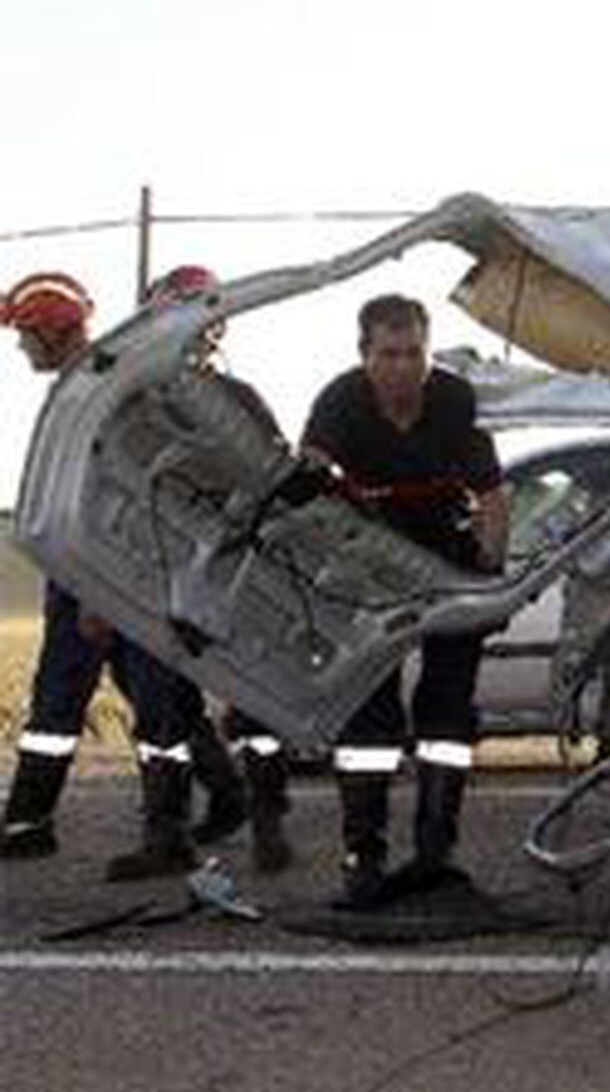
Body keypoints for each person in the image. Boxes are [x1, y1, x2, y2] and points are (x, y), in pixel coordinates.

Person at [0, 270, 238, 879]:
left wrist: (99, 590)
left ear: (53, 333)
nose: (20, 346)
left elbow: (121, 496)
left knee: (128, 700)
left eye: (26, 334)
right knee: (143, 696)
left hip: (109, 571)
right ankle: (221, 793)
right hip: (89, 568)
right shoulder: (93, 381)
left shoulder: (104, 388)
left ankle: (160, 835)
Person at [301, 294, 508, 908]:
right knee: (369, 718)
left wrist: (492, 579)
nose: (402, 368)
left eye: (413, 353)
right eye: (388, 355)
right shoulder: (340, 401)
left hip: (448, 562)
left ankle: (434, 853)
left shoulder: (454, 400)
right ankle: (363, 859)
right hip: (368, 567)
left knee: (447, 715)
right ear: (365, 356)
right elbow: (309, 474)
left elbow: (494, 500)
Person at [142, 264, 294, 873]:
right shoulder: (134, 404)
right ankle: (169, 831)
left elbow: (277, 479)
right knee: (163, 705)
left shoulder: (240, 401)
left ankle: (266, 818)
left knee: (256, 705)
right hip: (161, 571)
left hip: (236, 568)